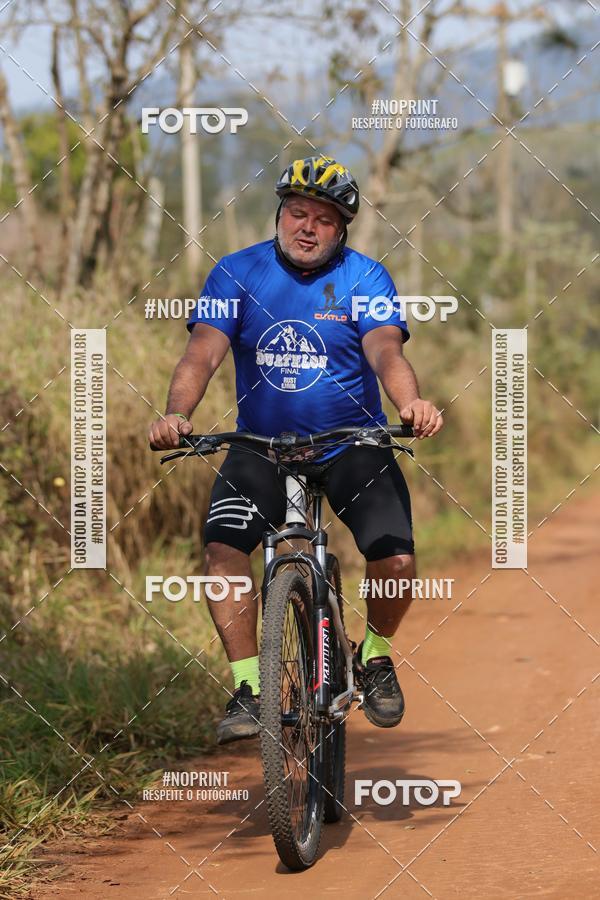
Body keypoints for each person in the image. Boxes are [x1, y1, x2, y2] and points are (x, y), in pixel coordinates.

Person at [148, 156, 444, 745]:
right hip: (261, 447)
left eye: (324, 219)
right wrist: (177, 413)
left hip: (351, 444)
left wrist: (410, 403)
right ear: (279, 214)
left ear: (342, 229)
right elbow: (202, 354)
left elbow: (386, 351)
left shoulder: (365, 278)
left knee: (396, 561)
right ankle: (249, 686)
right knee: (223, 552)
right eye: (297, 213)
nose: (307, 228)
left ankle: (375, 656)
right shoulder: (236, 273)